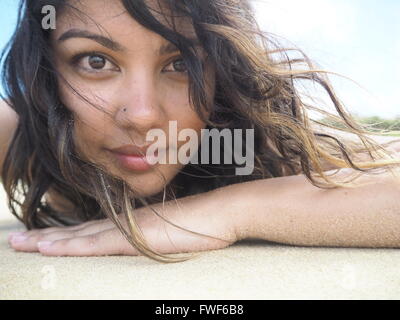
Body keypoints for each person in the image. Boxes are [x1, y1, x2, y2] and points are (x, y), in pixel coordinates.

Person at [2, 0, 400, 263]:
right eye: (95, 60)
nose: (141, 116)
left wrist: (233, 209)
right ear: (45, 73)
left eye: (180, 65)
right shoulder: (19, 133)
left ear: (221, 81)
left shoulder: (252, 143)